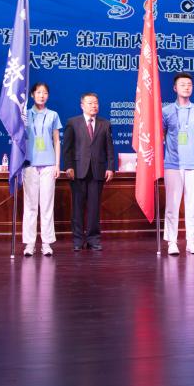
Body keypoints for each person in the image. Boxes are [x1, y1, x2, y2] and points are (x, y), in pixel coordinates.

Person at [162, 72, 194, 256]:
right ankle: (172, 242)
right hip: (173, 165)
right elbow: (160, 137)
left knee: (192, 206)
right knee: (172, 206)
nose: (186, 87)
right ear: (175, 88)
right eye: (182, 84)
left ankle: (191, 241)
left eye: (189, 84)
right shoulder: (166, 111)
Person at [61, 92, 115, 250]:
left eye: (96, 103)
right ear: (82, 105)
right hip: (77, 171)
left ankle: (93, 239)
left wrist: (110, 167)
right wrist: (68, 166)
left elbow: (109, 148)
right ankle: (78, 240)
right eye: (90, 103)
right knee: (77, 207)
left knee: (94, 208)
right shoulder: (73, 122)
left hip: (97, 171)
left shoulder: (105, 124)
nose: (94, 106)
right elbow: (67, 148)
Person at [22, 82, 62, 257]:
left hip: (48, 165)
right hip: (29, 165)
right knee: (30, 206)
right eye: (38, 92)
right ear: (32, 95)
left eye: (45, 93)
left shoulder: (53, 115)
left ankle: (46, 243)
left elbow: (56, 141)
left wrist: (57, 164)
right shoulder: (24, 114)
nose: (42, 95)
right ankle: (29, 243)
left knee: (46, 206)